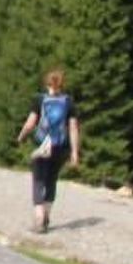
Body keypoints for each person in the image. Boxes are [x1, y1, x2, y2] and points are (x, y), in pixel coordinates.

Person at [15, 68, 80, 234]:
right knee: (52, 180)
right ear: (62, 85)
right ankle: (47, 216)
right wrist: (74, 152)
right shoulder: (69, 102)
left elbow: (30, 124)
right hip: (60, 147)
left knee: (38, 180)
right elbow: (73, 128)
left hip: (42, 145)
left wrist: (21, 136)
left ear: (47, 83)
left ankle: (39, 218)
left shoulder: (39, 100)